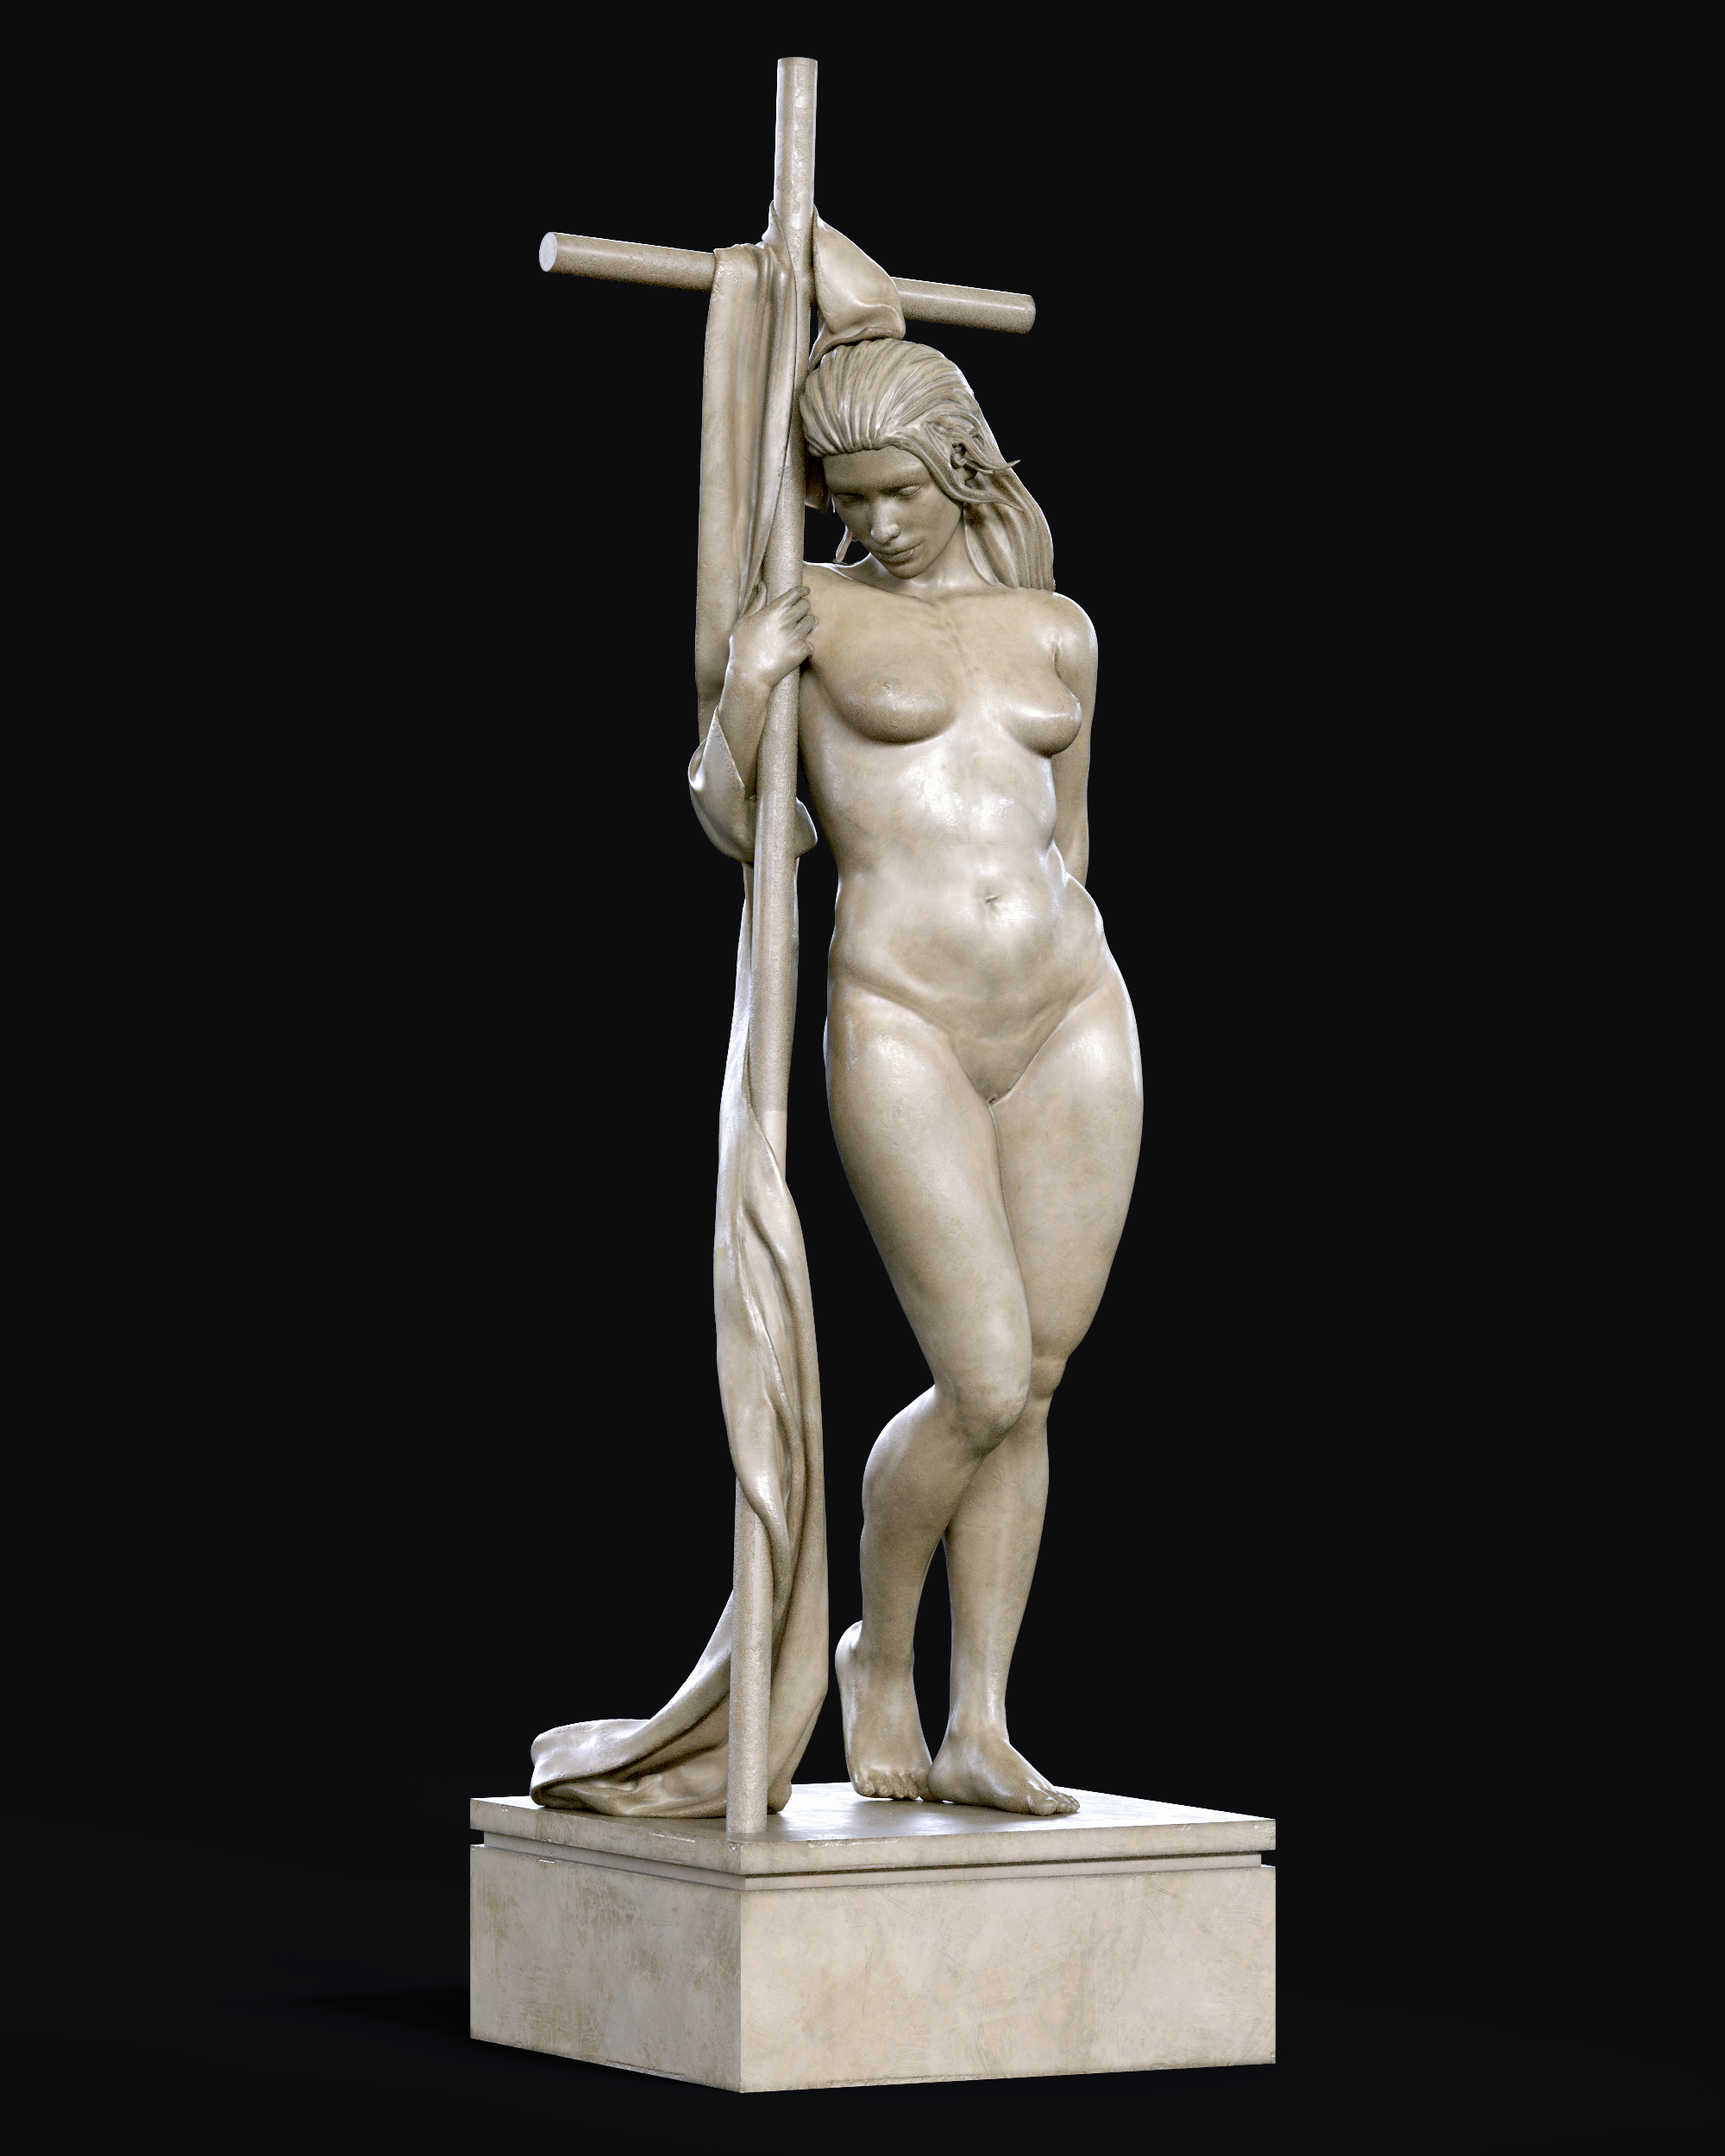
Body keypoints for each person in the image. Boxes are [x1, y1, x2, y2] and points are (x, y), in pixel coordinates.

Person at [697, 338, 1141, 1817]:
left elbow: (1070, 838)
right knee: (983, 1373)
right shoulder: (814, 612)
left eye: (900, 491)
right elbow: (732, 820)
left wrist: (1050, 954)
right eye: (848, 495)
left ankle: (982, 1723)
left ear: (961, 468)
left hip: (1072, 1016)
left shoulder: (1058, 630)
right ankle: (877, 1655)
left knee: (1035, 1390)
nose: (875, 521)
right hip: (902, 1015)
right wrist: (746, 689)